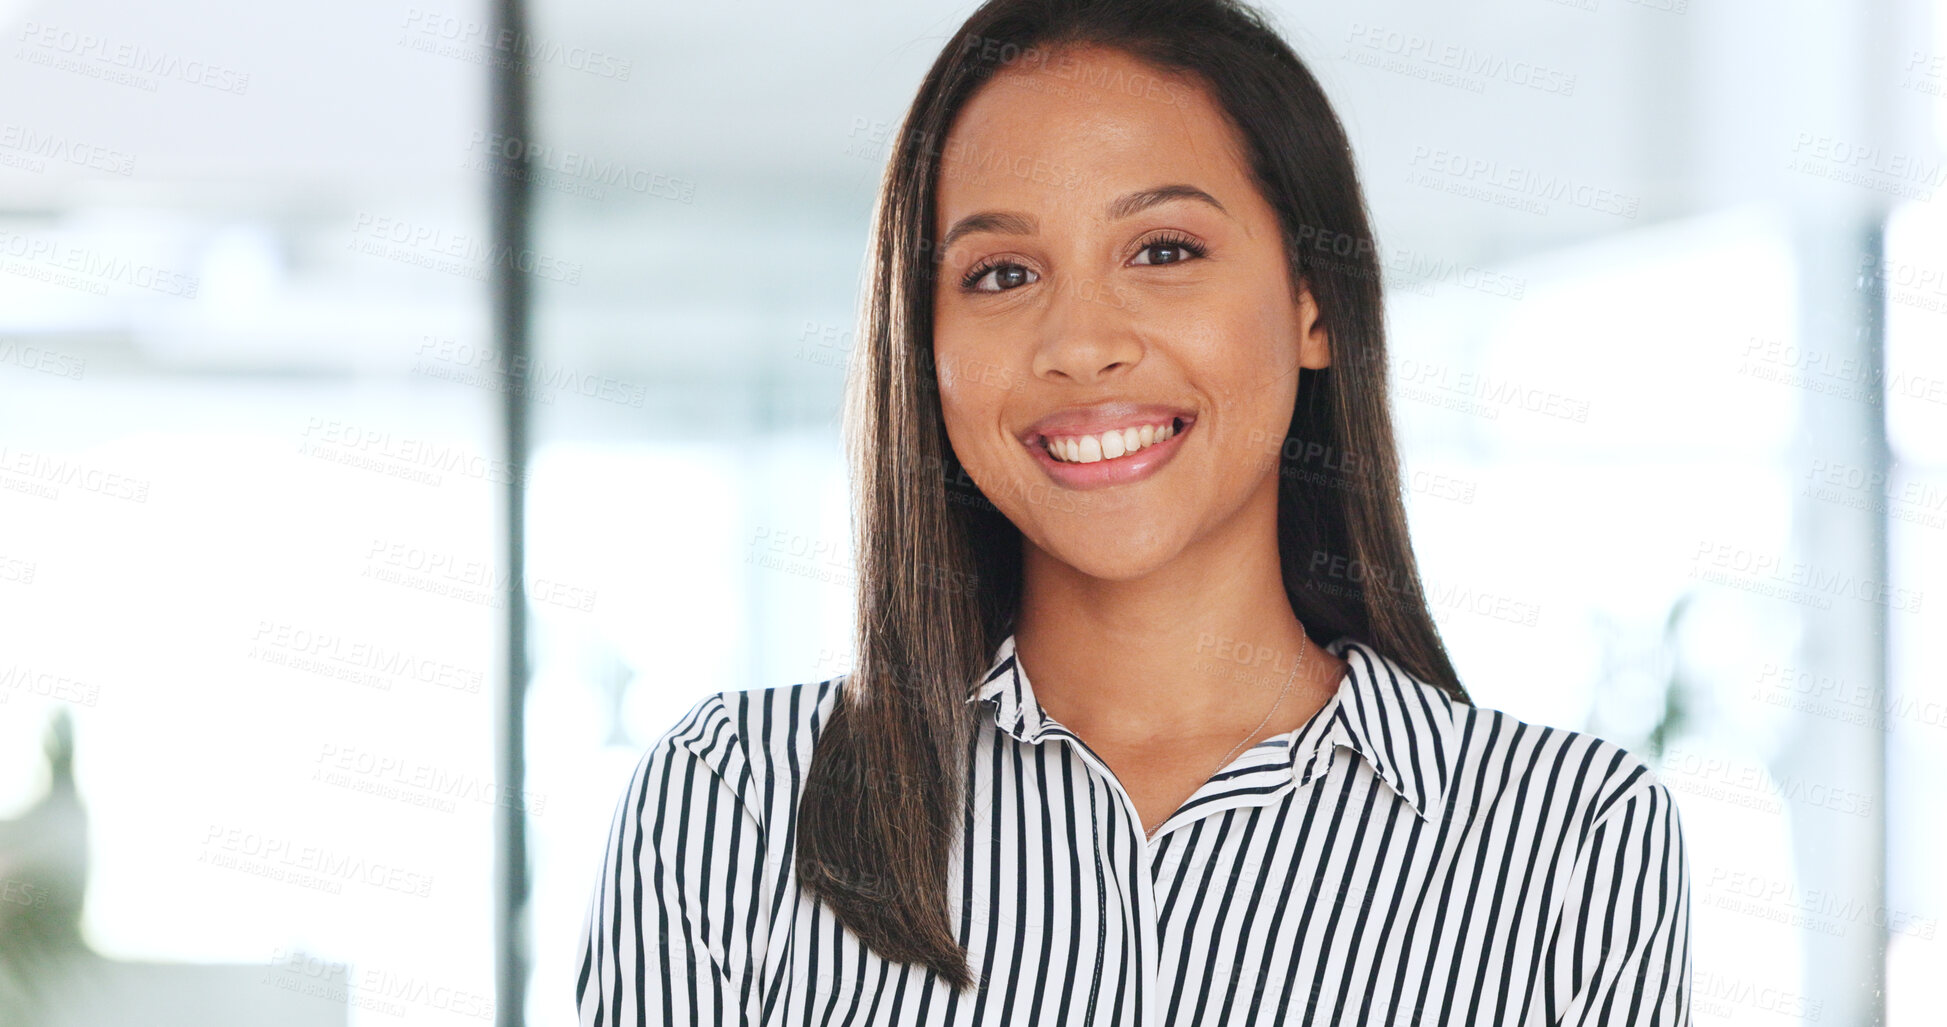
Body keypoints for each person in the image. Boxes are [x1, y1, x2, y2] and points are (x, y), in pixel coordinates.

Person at [577, 0, 1691, 1023]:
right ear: (923, 343)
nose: (1081, 345)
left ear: (1314, 305)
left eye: (1164, 251)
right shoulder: (736, 800)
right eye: (1003, 274)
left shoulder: (1574, 843)